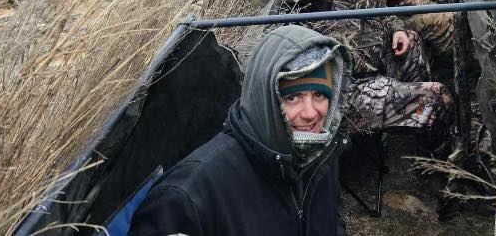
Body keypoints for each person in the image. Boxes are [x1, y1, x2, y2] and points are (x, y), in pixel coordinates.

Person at [128, 25, 351, 236]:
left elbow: (330, 223)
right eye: (292, 97)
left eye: (320, 95)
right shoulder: (185, 198)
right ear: (266, 99)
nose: (311, 113)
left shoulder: (320, 153)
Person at [300, 0, 454, 149]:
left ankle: (417, 140)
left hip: (374, 67)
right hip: (346, 89)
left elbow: (383, 11)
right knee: (438, 96)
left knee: (412, 41)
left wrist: (397, 29)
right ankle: (438, 156)